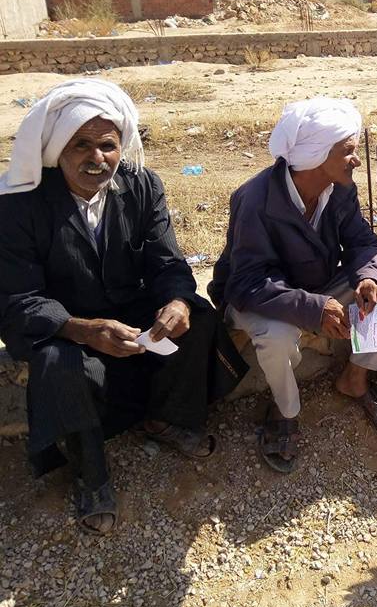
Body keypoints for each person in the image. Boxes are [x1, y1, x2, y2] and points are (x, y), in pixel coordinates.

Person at [0, 79, 246, 535]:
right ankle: (91, 476)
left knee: (198, 313)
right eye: (82, 146)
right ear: (57, 149)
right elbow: (17, 299)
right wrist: (83, 329)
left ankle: (165, 419)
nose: (97, 159)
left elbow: (168, 261)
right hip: (69, 326)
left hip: (130, 315)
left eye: (108, 146)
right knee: (59, 364)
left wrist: (174, 300)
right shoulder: (19, 205)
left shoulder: (140, 185)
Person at [209, 98, 377, 473]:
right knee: (278, 336)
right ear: (316, 155)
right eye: (347, 151)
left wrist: (367, 278)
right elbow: (246, 281)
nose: (356, 159)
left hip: (312, 290)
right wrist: (314, 308)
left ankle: (355, 378)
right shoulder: (255, 200)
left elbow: (362, 242)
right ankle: (284, 409)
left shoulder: (339, 188)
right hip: (255, 298)